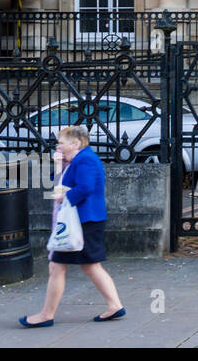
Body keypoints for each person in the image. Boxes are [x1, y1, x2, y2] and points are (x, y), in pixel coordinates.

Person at [20, 125, 125, 327]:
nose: (57, 145)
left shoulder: (85, 160)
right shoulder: (76, 160)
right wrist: (59, 167)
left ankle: (46, 315)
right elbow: (60, 184)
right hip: (85, 221)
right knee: (90, 265)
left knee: (57, 267)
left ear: (76, 143)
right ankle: (114, 305)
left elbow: (85, 187)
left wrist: (65, 196)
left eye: (61, 142)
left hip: (83, 221)